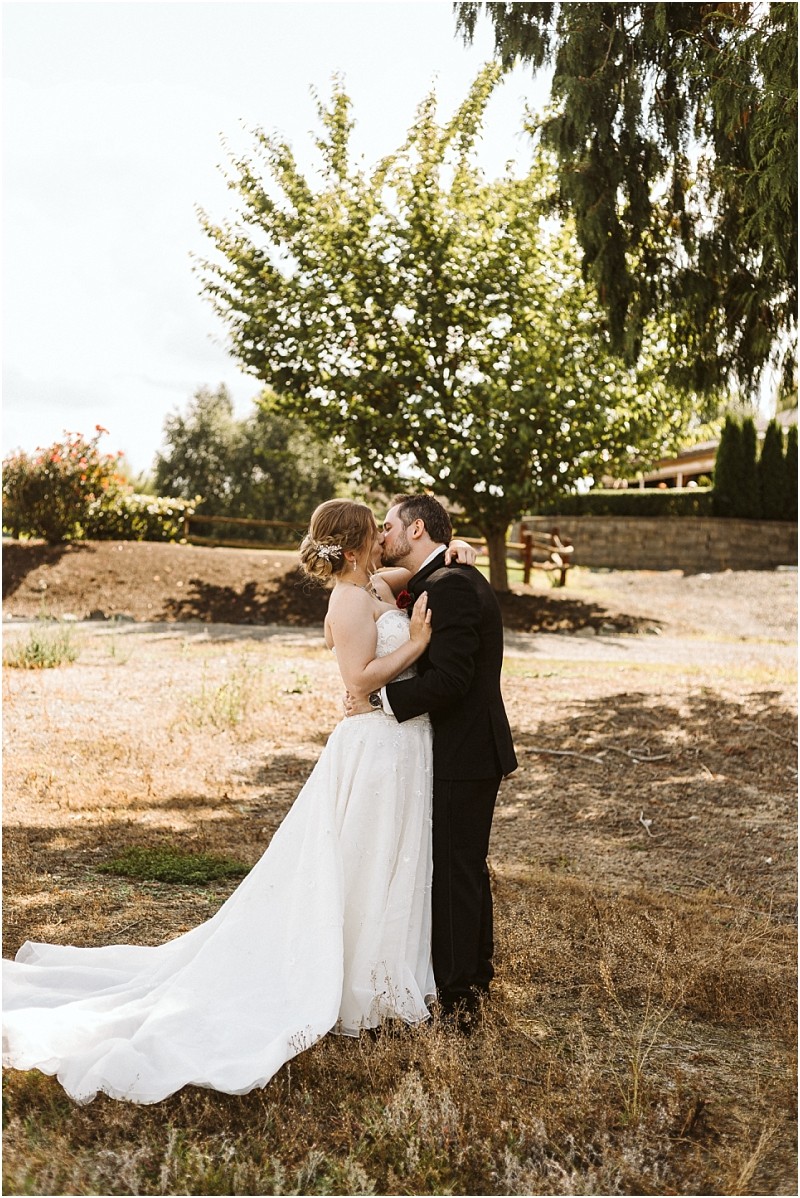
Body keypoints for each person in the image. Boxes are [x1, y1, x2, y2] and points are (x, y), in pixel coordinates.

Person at [2, 500, 476, 1105]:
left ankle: (389, 980)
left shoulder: (377, 583)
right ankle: (354, 984)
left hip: (404, 747)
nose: (387, 537)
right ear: (357, 544)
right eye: (376, 530)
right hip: (375, 745)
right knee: (360, 860)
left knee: (391, 861)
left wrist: (458, 554)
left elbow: (427, 570)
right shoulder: (349, 599)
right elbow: (358, 682)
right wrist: (416, 644)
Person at [347, 495, 517, 1027]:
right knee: (455, 866)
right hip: (446, 750)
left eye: (390, 525)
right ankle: (470, 977)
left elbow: (452, 680)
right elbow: (396, 571)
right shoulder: (433, 579)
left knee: (457, 868)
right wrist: (455, 546)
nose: (382, 534)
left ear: (416, 528)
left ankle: (464, 996)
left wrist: (379, 702)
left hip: (467, 752)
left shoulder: (454, 587)